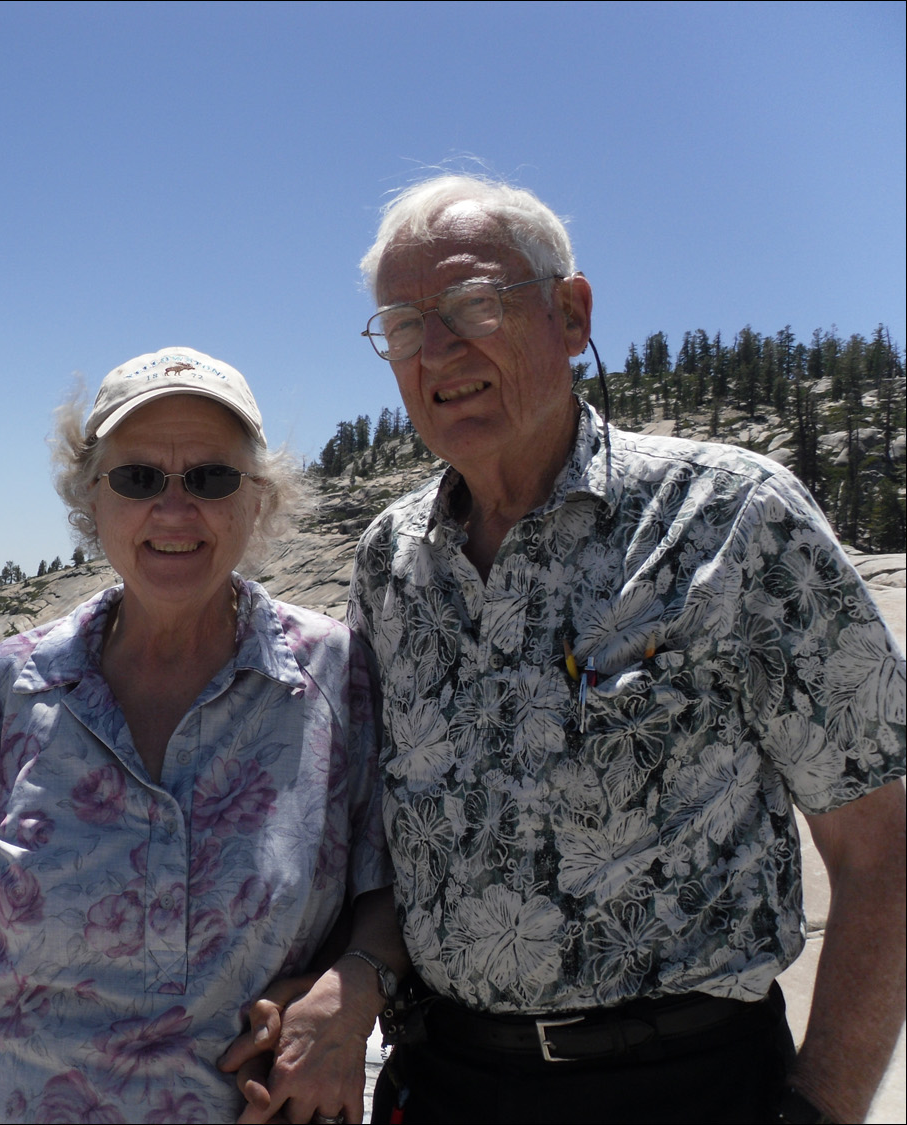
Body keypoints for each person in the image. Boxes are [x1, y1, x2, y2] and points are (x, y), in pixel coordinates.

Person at [326, 174, 903, 1123]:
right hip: (444, 1080)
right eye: (402, 323)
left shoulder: (728, 517)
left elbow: (884, 844)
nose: (437, 349)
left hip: (686, 1084)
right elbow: (379, 843)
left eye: (474, 303)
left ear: (570, 312)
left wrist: (823, 1109)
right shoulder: (391, 561)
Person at [0, 346, 397, 1123]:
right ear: (89, 501)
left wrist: (352, 986)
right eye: (136, 478)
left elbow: (391, 884)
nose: (173, 508)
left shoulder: (332, 675)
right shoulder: (11, 684)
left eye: (210, 477)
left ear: (257, 500)